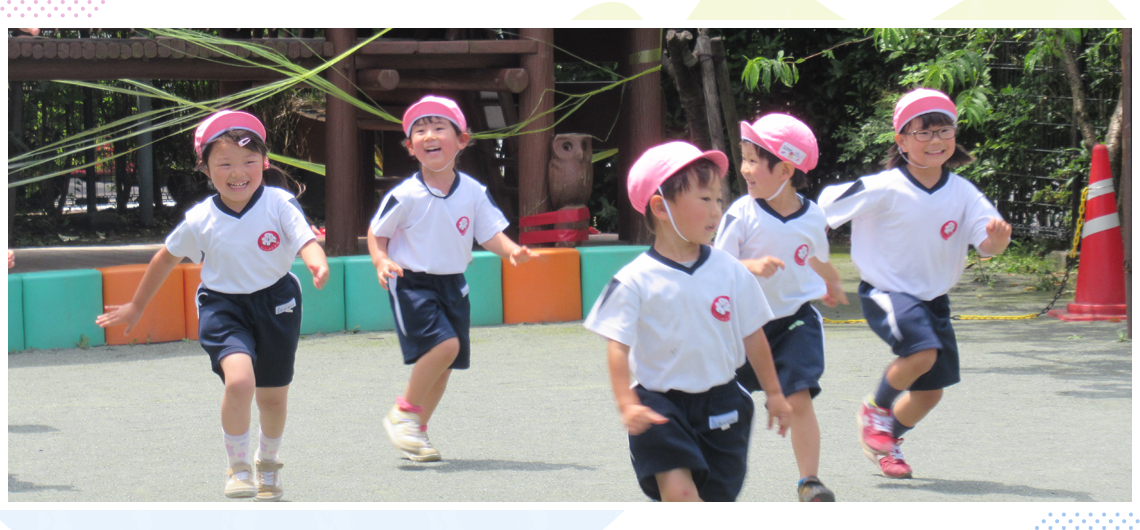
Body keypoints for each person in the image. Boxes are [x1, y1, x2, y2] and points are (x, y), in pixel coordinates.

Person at [96, 110, 329, 501]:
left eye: (249, 162)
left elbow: (303, 238)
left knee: (273, 396)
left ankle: (267, 464)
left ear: (265, 163)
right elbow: (165, 259)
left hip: (277, 302)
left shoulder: (279, 202)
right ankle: (238, 469)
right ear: (205, 168)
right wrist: (137, 306)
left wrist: (315, 261)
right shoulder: (200, 218)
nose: (238, 172)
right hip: (223, 306)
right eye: (224, 164)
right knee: (239, 381)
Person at [817, 88, 1012, 479]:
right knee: (922, 354)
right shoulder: (884, 186)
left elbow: (987, 244)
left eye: (944, 131)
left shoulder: (963, 192)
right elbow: (821, 210)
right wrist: (819, 268)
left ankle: (887, 439)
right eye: (923, 132)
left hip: (934, 301)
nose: (935, 141)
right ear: (902, 140)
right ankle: (875, 411)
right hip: (887, 292)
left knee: (928, 393)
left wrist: (999, 240)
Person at [583, 141, 792, 502]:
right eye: (704, 199)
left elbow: (754, 335)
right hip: (658, 406)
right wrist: (626, 403)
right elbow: (618, 346)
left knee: (714, 502)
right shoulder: (634, 279)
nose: (716, 211)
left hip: (723, 403)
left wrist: (774, 393)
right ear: (662, 207)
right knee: (680, 496)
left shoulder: (730, 270)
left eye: (719, 200)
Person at [368, 95, 533, 462]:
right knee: (445, 347)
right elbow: (377, 233)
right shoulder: (405, 194)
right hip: (411, 283)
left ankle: (416, 431)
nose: (430, 135)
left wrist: (511, 251)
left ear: (462, 140)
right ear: (411, 148)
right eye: (420, 131)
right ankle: (404, 411)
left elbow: (489, 232)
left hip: (453, 284)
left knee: (446, 365)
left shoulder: (473, 192)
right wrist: (381, 260)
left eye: (439, 127)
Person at [713, 113, 847, 502]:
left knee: (799, 396)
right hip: (741, 329)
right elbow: (715, 266)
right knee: (725, 405)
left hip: (794, 323)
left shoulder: (814, 216)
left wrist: (832, 281)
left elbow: (818, 257)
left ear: (785, 169)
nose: (744, 169)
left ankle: (810, 482)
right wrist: (750, 266)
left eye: (754, 160)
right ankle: (712, 480)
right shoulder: (742, 213)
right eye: (744, 157)